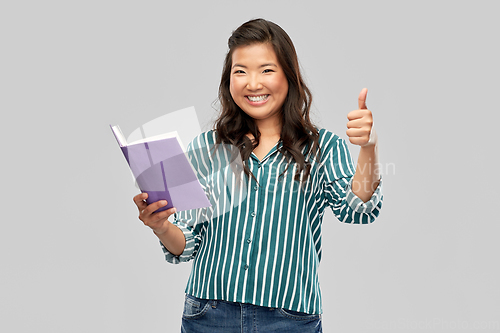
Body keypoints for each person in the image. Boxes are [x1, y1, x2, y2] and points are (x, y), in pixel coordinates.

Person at [133, 18, 382, 333]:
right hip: (208, 316)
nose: (253, 83)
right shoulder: (208, 148)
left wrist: (368, 148)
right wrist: (161, 225)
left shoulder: (322, 148)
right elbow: (188, 242)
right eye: (241, 71)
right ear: (229, 80)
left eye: (266, 70)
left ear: (289, 77)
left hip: (288, 320)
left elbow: (358, 209)